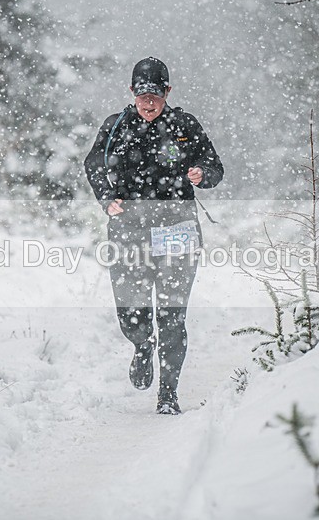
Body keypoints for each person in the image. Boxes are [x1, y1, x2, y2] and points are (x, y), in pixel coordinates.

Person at [83, 57, 224, 415]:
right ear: (132, 92)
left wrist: (201, 174)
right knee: (132, 309)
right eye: (143, 95)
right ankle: (142, 345)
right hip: (129, 229)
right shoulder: (116, 126)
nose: (149, 103)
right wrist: (105, 197)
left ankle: (168, 394)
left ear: (168, 92)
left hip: (176, 228)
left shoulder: (184, 125)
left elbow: (215, 166)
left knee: (172, 315)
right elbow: (93, 164)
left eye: (156, 96)